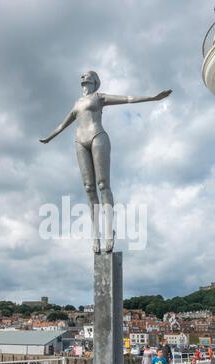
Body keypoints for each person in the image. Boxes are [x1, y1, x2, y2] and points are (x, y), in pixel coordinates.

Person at [40, 71, 172, 253]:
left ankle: (109, 232)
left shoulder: (99, 97)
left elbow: (127, 98)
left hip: (97, 136)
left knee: (102, 184)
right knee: (89, 188)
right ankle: (96, 235)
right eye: (81, 75)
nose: (82, 77)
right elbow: (63, 125)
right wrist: (48, 138)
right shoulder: (77, 103)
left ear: (94, 81)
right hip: (80, 141)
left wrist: (153, 98)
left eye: (87, 75)